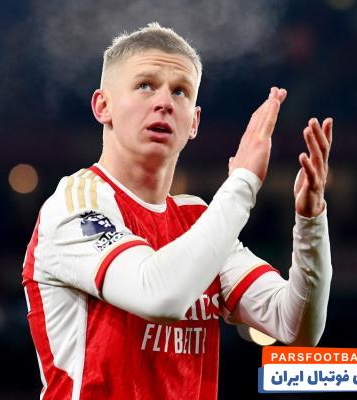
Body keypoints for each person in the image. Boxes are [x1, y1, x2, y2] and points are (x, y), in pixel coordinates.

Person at [21, 22, 333, 399]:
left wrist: (311, 222)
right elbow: (160, 297)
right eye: (145, 85)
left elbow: (296, 327)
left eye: (180, 91)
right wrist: (243, 183)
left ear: (194, 122)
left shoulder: (198, 220)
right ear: (103, 106)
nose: (165, 102)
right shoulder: (75, 206)